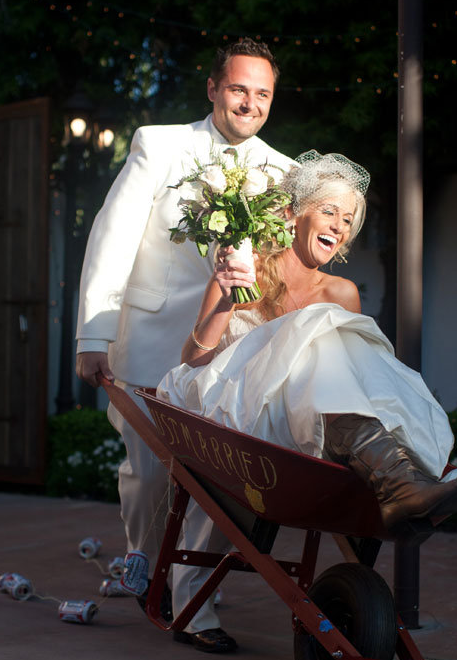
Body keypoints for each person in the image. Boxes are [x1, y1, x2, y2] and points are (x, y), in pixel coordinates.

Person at [157, 151, 457, 651]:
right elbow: (194, 358)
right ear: (295, 213)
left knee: (337, 339)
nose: (339, 227)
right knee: (317, 331)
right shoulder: (248, 262)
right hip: (240, 407)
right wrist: (224, 296)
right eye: (329, 212)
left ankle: (400, 478)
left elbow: (360, 378)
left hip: (309, 423)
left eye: (348, 220)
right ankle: (408, 479)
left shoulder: (342, 292)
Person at [75, 38, 295, 629]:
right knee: (149, 473)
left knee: (216, 475)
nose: (249, 103)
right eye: (239, 89)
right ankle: (143, 558)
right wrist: (92, 337)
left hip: (232, 352)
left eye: (262, 93)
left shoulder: (285, 173)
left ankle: (190, 589)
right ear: (213, 89)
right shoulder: (159, 144)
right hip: (149, 340)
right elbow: (111, 239)